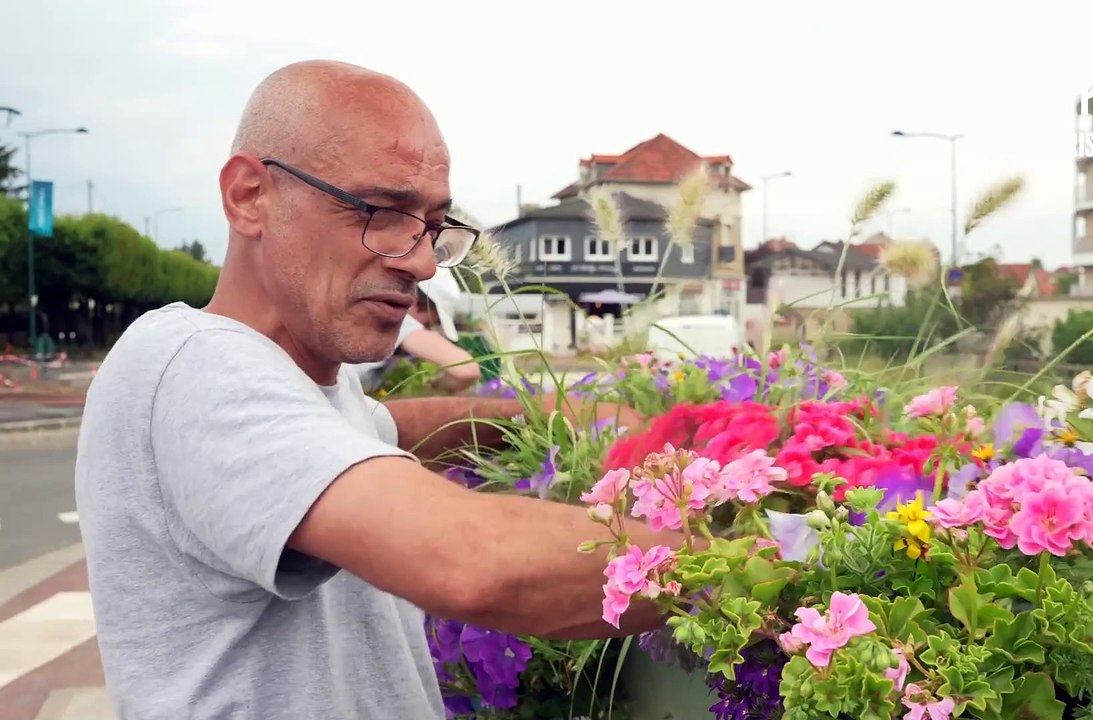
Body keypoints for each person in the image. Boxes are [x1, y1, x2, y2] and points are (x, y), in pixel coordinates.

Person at [74, 60, 672, 720]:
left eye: (434, 226)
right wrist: (764, 557)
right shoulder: (193, 367)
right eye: (382, 212)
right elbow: (475, 562)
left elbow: (389, 427)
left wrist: (560, 416)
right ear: (249, 196)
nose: (418, 260)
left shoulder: (305, 392)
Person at [350, 269, 482, 393]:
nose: (427, 330)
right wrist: (435, 389)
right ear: (414, 299)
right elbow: (467, 368)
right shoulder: (400, 322)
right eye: (429, 323)